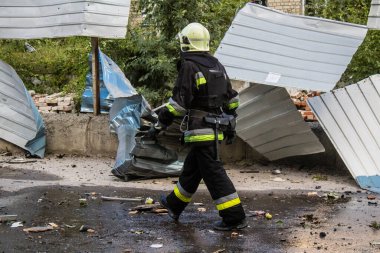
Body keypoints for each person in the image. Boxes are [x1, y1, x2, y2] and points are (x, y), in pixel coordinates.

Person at [153, 22, 247, 231]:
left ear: (185, 43)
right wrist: (231, 124)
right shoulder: (217, 64)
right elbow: (231, 99)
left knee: (213, 173)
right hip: (215, 130)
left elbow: (178, 104)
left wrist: (160, 123)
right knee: (192, 170)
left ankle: (234, 217)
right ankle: (174, 204)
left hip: (200, 131)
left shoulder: (189, 65)